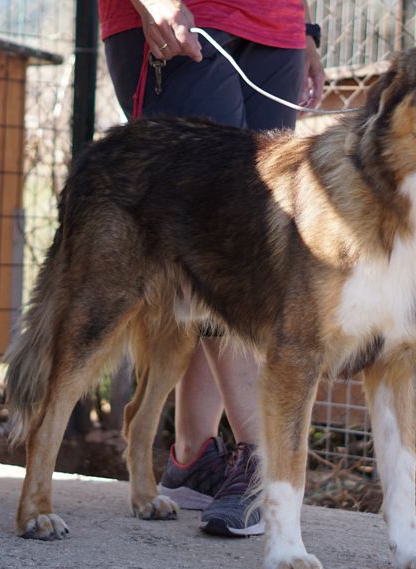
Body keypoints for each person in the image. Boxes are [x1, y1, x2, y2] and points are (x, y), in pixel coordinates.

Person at [98, 0, 325, 537]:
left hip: (276, 26)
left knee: (245, 241)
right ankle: (261, 457)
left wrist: (306, 29)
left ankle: (193, 456)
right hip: (182, 19)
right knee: (224, 243)